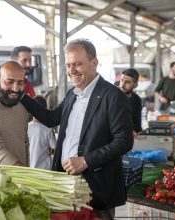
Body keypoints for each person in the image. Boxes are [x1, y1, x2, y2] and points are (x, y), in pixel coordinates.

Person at [20, 38, 133, 219]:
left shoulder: (113, 97)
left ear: (94, 63)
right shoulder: (73, 94)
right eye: (68, 65)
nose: (71, 71)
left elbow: (124, 141)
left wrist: (86, 161)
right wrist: (22, 97)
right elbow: (51, 119)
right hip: (65, 184)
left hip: (96, 187)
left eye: (77, 64)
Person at [28, 95, 56, 170]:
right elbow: (54, 149)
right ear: (45, 109)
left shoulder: (25, 127)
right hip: (45, 169)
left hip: (29, 168)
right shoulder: (48, 129)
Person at [118, 68, 142, 136]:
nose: (122, 85)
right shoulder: (111, 95)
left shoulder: (137, 100)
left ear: (135, 85)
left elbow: (137, 122)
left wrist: (138, 132)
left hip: (127, 137)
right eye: (122, 80)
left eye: (127, 82)